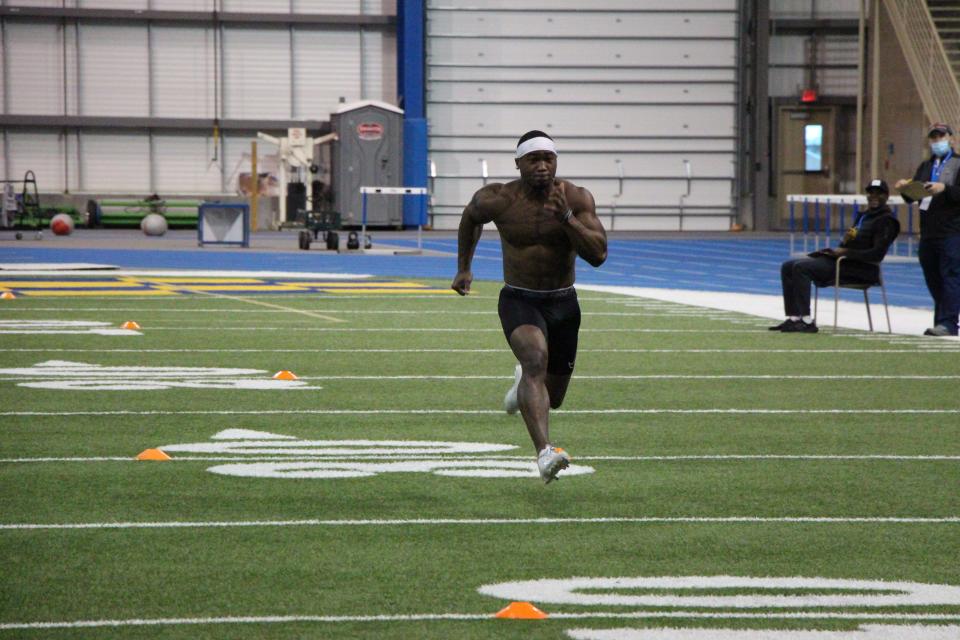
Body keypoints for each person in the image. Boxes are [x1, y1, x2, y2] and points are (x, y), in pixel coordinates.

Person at [451, 130, 607, 483]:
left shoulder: (577, 198)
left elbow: (598, 255)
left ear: (556, 163)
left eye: (547, 159)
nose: (541, 167)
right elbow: (470, 218)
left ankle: (523, 382)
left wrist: (567, 219)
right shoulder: (500, 198)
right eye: (533, 160)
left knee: (554, 398)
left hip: (563, 302)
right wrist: (464, 267)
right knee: (535, 358)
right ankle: (545, 452)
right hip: (520, 299)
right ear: (518, 164)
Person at [771, 179, 900, 333]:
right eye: (871, 192)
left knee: (801, 268)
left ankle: (807, 321)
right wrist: (832, 252)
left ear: (886, 196)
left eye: (878, 193)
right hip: (843, 261)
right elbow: (849, 241)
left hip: (862, 268)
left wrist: (844, 253)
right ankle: (794, 318)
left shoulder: (887, 221)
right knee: (788, 266)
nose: (874, 196)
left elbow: (876, 255)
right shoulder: (864, 216)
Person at [895, 123, 960, 336]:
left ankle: (948, 323)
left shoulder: (958, 164)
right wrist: (906, 188)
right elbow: (914, 197)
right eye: (933, 138)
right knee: (933, 277)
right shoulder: (925, 166)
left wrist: (945, 189)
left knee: (951, 275)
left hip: (952, 231)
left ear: (951, 138)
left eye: (941, 136)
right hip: (929, 231)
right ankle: (942, 319)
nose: (937, 141)